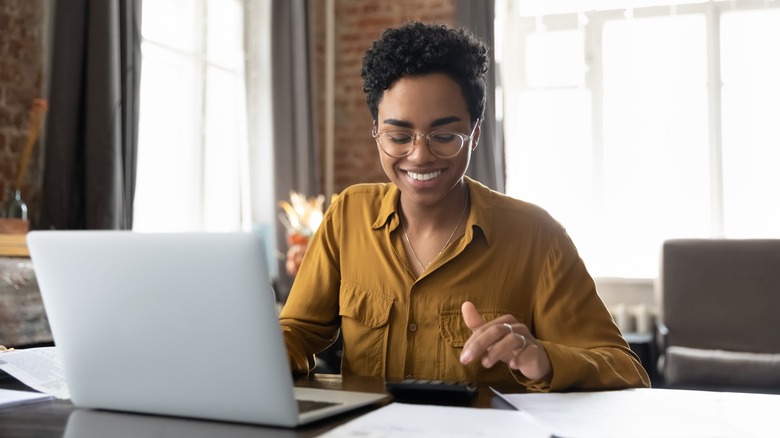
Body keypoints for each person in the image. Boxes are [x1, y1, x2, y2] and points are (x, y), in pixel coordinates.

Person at [279, 21, 650, 391]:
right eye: (399, 136)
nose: (420, 155)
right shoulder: (348, 216)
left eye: (444, 135)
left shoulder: (538, 238)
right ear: (376, 132)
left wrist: (543, 359)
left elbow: (626, 369)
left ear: (474, 134)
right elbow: (297, 331)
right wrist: (270, 349)